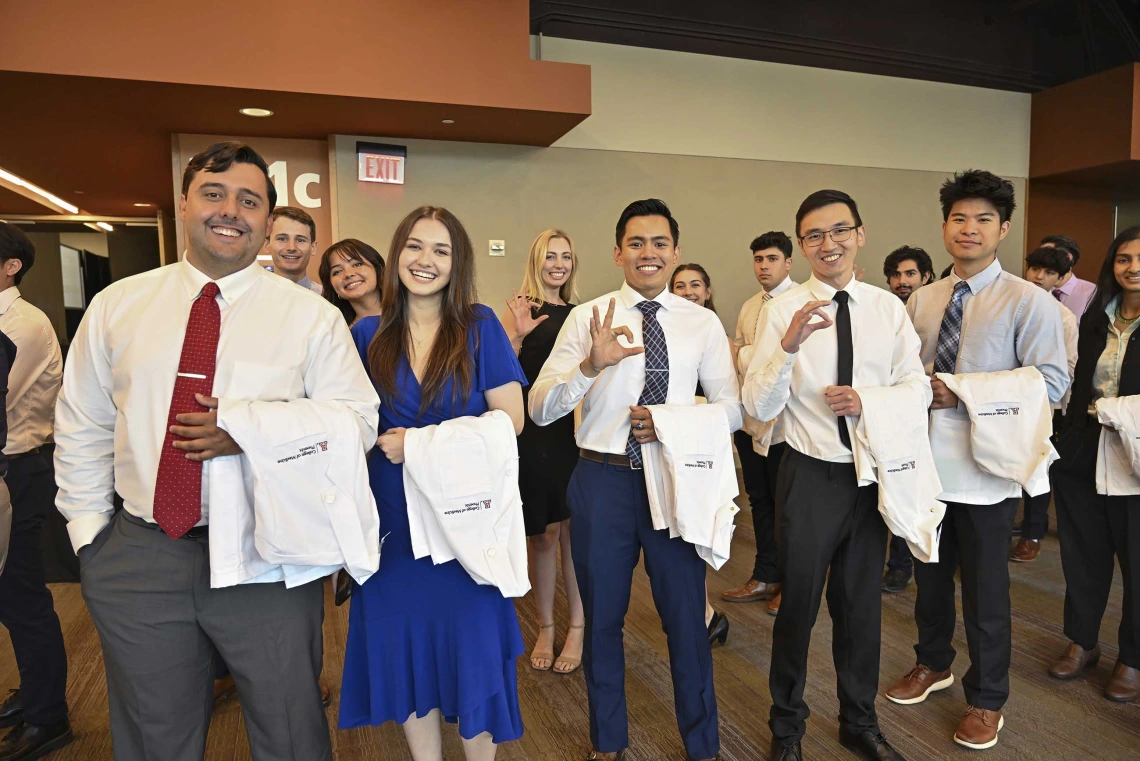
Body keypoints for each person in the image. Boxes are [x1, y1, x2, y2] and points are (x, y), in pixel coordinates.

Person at [53, 141, 381, 761]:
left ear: (267, 220)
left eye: (249, 201)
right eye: (214, 193)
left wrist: (248, 433)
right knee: (155, 736)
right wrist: (91, 535)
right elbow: (84, 424)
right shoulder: (118, 307)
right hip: (140, 554)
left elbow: (358, 422)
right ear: (183, 204)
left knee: (291, 730)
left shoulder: (310, 319)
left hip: (267, 555)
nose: (231, 210)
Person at [530, 199, 741, 761]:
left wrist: (673, 422)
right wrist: (590, 367)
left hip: (674, 481)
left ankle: (703, 745)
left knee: (685, 620)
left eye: (659, 243)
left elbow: (734, 409)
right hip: (602, 481)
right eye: (637, 243)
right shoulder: (588, 317)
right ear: (618, 251)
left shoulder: (702, 322)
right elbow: (540, 408)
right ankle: (609, 742)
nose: (649, 254)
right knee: (602, 619)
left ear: (675, 250)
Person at [886, 170, 1067, 751]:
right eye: (959, 219)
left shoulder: (1029, 301)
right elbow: (905, 373)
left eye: (983, 219)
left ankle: (988, 697)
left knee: (987, 592)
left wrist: (960, 389)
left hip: (986, 471)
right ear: (944, 227)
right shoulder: (924, 298)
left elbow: (1053, 383)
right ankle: (932, 662)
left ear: (1003, 228)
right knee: (930, 579)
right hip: (926, 466)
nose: (969, 229)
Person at [339, 206, 527, 760]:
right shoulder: (366, 334)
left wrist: (419, 443)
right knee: (408, 652)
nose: (425, 261)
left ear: (458, 262)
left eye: (441, 251)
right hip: (393, 525)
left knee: (474, 650)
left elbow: (510, 420)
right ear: (396, 255)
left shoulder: (479, 325)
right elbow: (346, 424)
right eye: (415, 247)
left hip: (463, 524)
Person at [744, 190, 922, 761]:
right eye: (815, 235)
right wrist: (789, 347)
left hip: (869, 474)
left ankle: (858, 722)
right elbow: (759, 405)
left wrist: (865, 400)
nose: (829, 244)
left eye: (839, 231)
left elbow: (915, 386)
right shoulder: (780, 309)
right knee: (796, 607)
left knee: (860, 609)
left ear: (860, 235)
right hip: (808, 473)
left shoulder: (886, 308)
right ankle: (786, 728)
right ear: (802, 246)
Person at [1048, 225, 1140, 702]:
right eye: (1124, 259)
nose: (1134, 268)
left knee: (1136, 559)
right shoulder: (1094, 317)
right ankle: (1083, 642)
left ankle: (1133, 656)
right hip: (1084, 446)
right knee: (1083, 555)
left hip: (1136, 454)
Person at [500, 229, 584, 674]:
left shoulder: (581, 314)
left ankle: (578, 627)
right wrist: (516, 336)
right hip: (531, 434)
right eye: (550, 256)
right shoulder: (519, 310)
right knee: (543, 534)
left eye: (566, 256)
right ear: (536, 260)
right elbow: (498, 375)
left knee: (574, 533)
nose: (559, 263)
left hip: (571, 433)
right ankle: (547, 626)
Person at [0, 223, 69, 761]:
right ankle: (33, 692)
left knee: (20, 595)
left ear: (11, 266)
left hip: (17, 470)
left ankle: (49, 716)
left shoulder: (22, 323)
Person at [721, 232, 797, 618]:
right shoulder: (751, 306)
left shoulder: (799, 302)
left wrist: (747, 355)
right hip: (751, 421)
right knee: (760, 500)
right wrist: (748, 357)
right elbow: (739, 361)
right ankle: (765, 573)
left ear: (788, 262)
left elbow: (777, 363)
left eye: (771, 258)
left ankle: (792, 583)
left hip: (787, 424)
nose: (763, 266)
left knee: (789, 506)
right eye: (758, 260)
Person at [669, 262, 731, 645]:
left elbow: (725, 399)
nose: (688, 291)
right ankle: (704, 614)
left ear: (707, 291)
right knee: (683, 531)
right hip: (674, 445)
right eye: (680, 285)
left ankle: (704, 614)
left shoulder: (713, 332)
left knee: (698, 528)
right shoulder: (666, 331)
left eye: (695, 284)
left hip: (706, 446)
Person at [1013, 245, 1080, 562]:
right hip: (1007, 403)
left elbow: (1067, 370)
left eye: (1048, 272)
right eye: (1034, 268)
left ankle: (1033, 533)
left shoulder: (1064, 318)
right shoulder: (1012, 303)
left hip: (1044, 408)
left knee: (1038, 471)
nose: (1039, 276)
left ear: (1060, 278)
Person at [879, 245, 937, 593]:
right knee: (899, 484)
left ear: (925, 276)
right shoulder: (881, 310)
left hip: (937, 404)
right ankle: (899, 566)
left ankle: (929, 555)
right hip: (894, 410)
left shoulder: (933, 307)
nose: (903, 281)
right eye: (897, 274)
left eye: (910, 274)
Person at [319, 238, 385, 325]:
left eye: (357, 264)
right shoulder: (341, 334)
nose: (348, 274)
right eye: (337, 271)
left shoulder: (406, 313)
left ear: (378, 269)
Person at [266, 205, 323, 293]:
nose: (291, 247)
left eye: (300, 240)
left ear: (313, 247)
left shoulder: (329, 300)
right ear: (267, 244)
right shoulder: (251, 298)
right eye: (282, 239)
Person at [1042, 234, 1096, 323]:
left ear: (1068, 258)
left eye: (1049, 254)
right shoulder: (1035, 289)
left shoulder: (1092, 293)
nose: (1042, 259)